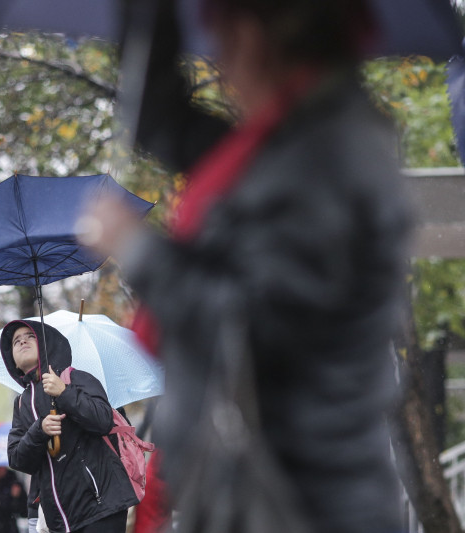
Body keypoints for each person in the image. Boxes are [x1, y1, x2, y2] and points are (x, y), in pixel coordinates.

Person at [78, 1, 411, 532]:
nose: (221, 67)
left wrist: (139, 249)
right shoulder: (285, 144)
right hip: (261, 495)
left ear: (255, 36)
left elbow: (252, 328)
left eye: (221, 40)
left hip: (300, 506)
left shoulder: (326, 162)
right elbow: (161, 120)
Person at [1, 320, 138, 533]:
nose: (22, 342)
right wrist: (40, 430)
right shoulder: (21, 403)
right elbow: (18, 459)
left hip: (101, 509)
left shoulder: (75, 378)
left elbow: (103, 420)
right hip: (60, 522)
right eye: (16, 341)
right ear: (14, 363)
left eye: (29, 336)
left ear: (45, 344)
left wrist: (64, 392)